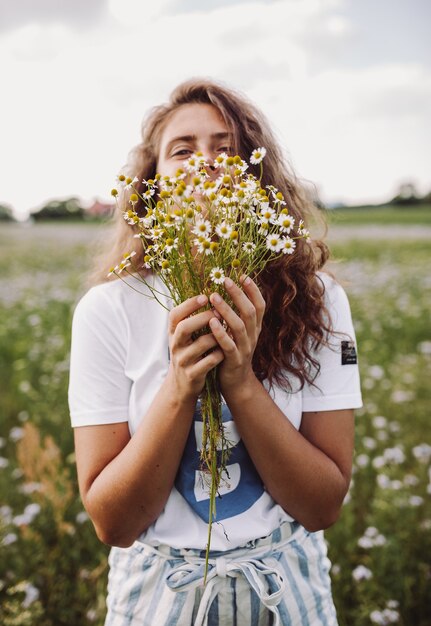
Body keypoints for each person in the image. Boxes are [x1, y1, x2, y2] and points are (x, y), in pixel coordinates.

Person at [68, 78, 362, 626]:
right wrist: (182, 386)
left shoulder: (318, 300)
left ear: (255, 176)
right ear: (153, 184)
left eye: (226, 149)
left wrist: (242, 383)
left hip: (284, 587)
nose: (206, 162)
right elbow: (114, 524)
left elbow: (322, 507)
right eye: (183, 149)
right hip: (159, 594)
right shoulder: (107, 310)